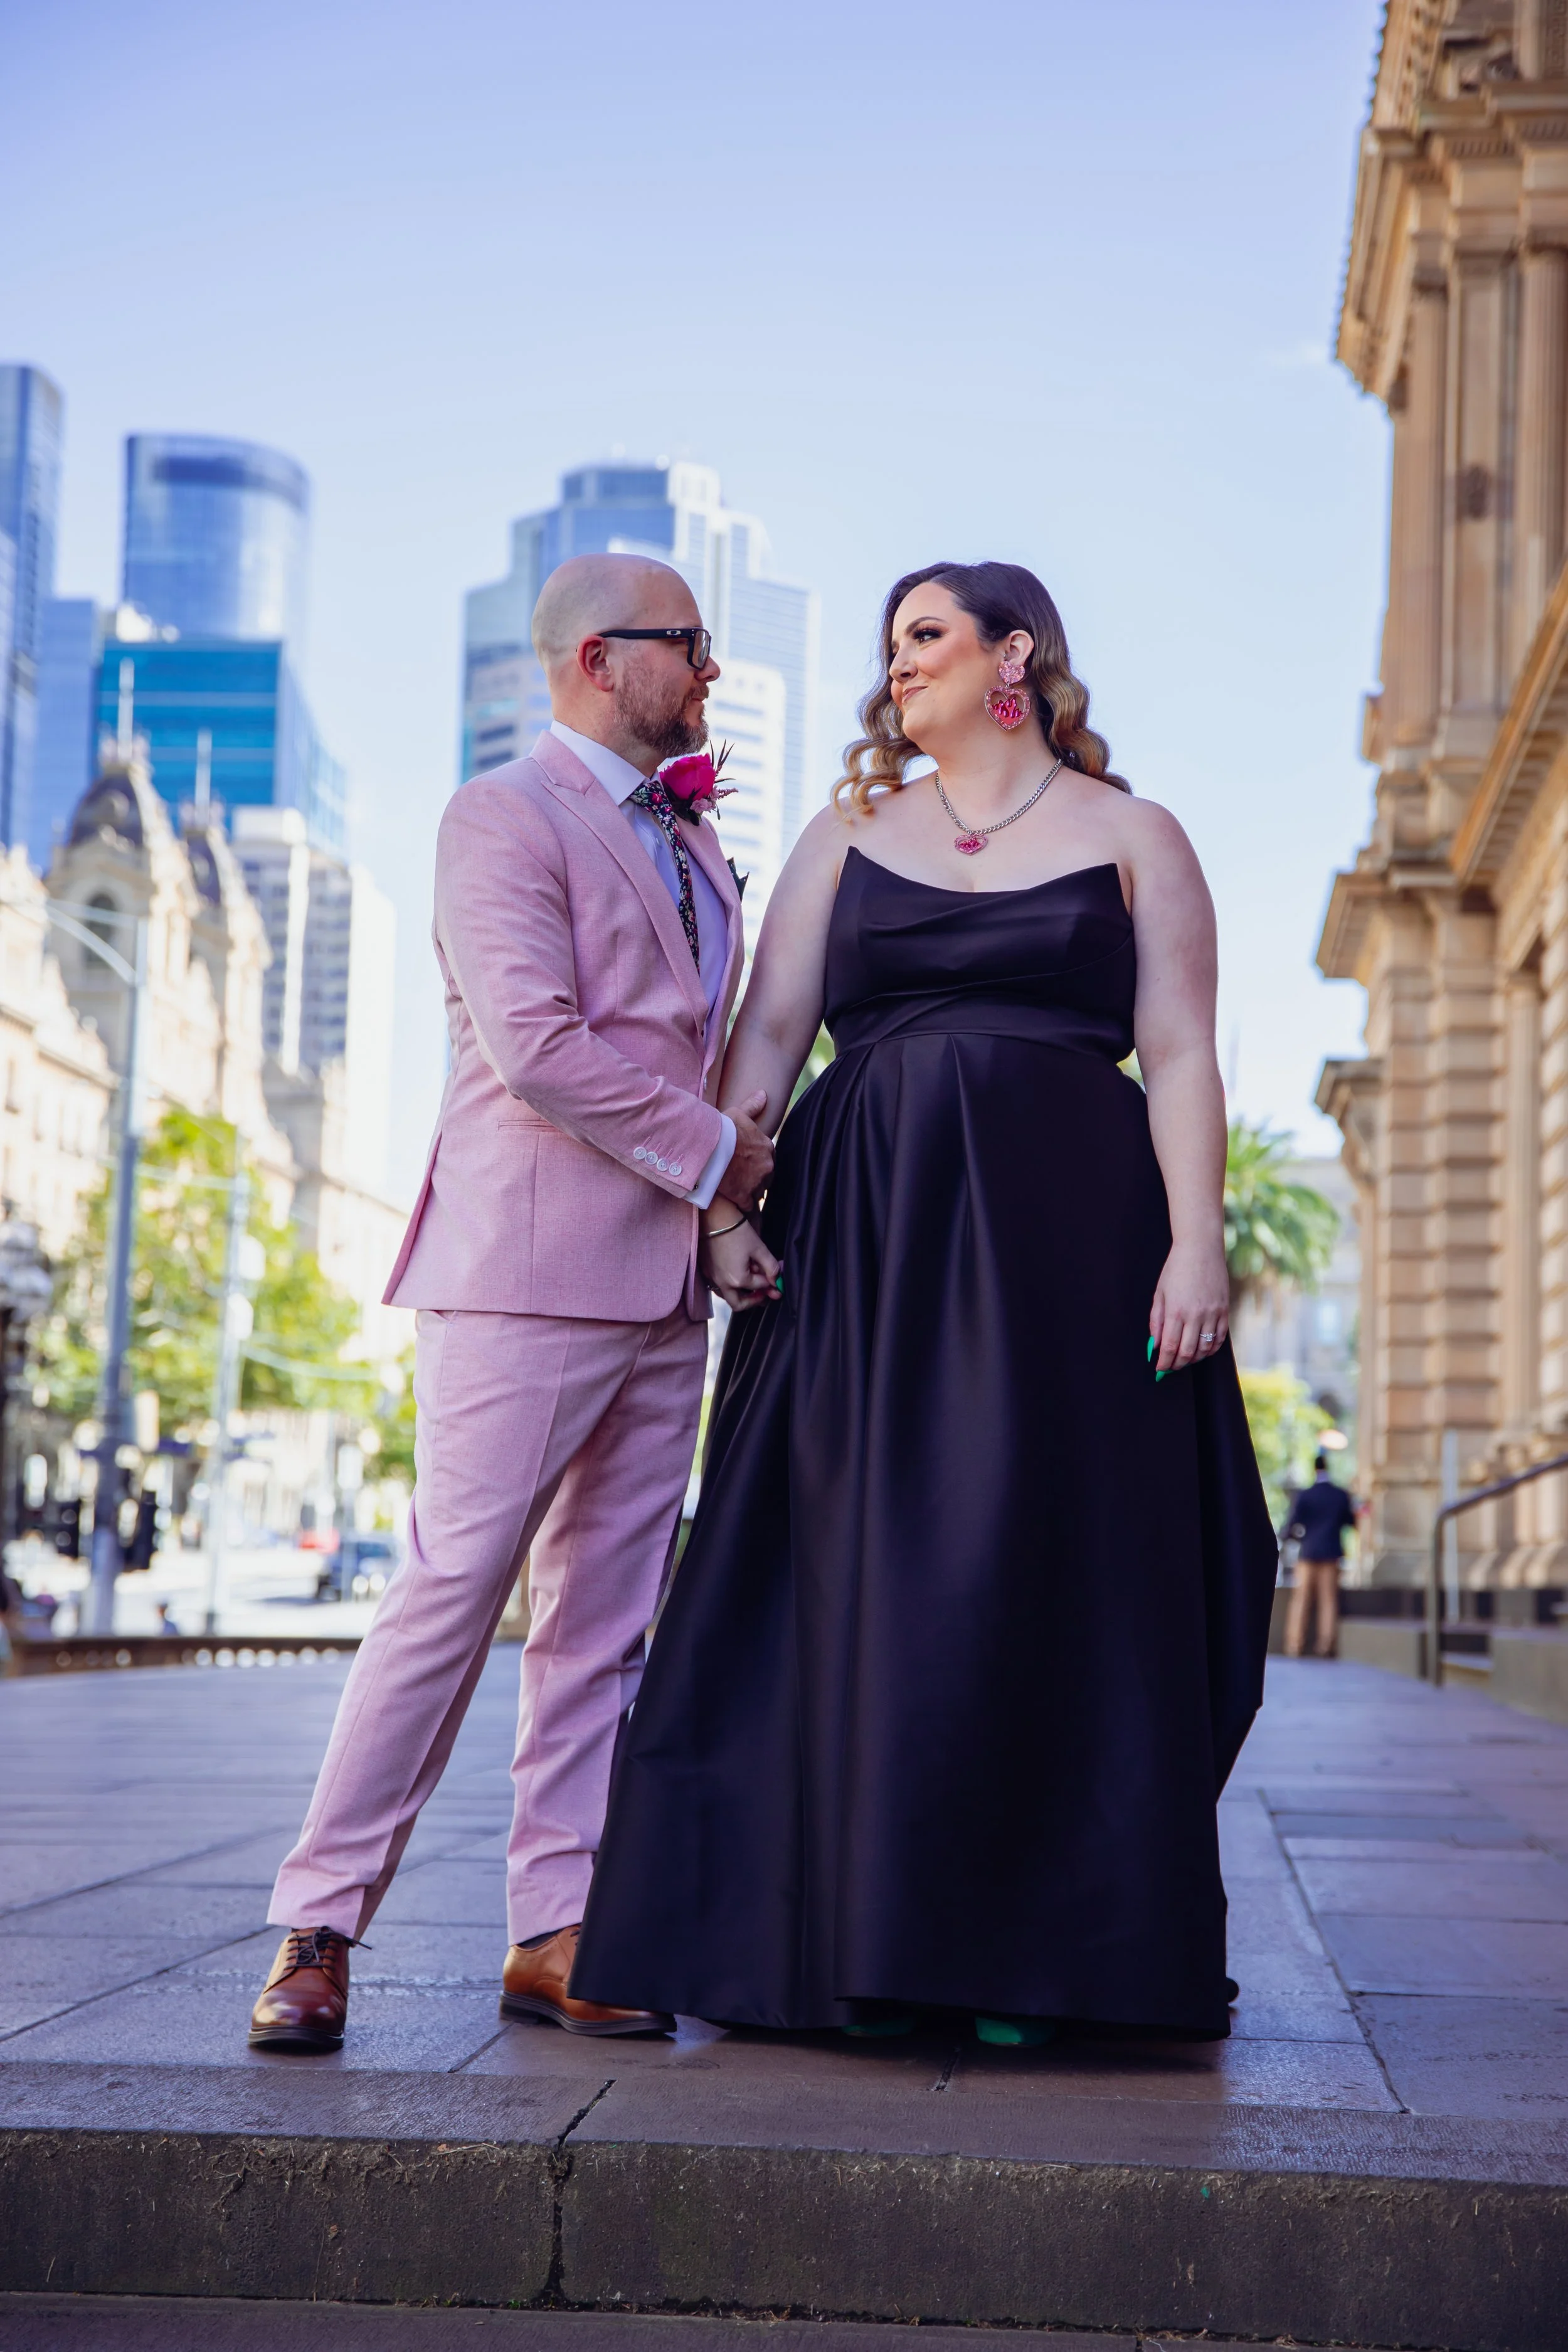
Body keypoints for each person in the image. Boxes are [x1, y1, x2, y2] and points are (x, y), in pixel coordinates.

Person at [572, 561, 1279, 2047]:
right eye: (891, 639)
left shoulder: (1135, 833)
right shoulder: (849, 833)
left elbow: (1185, 1052)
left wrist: (1195, 1246)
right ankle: (831, 1937)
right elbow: (769, 1031)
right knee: (842, 1558)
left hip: (1077, 1250)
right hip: (862, 1240)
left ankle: (1043, 1956)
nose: (897, 663)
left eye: (926, 633)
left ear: (1012, 652)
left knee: (1048, 1567)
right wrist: (719, 1206)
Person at [248, 552, 772, 2052]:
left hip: (665, 1282)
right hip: (523, 1275)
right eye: (692, 644)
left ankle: (558, 1928)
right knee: (448, 1593)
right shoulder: (500, 815)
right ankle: (318, 1926)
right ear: (604, 657)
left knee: (603, 1626)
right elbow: (537, 1045)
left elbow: (689, 1040)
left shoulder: (697, 843)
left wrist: (716, 1213)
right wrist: (726, 1154)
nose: (713, 671)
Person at [1283, 1453, 1357, 1660]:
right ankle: (1325, 1645)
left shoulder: (1305, 1495)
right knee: (1329, 1600)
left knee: (1301, 1600)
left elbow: (1292, 1525)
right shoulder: (1340, 1495)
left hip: (1308, 1553)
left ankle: (1294, 1644)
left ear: (1314, 1469)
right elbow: (1351, 1522)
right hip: (1331, 1553)